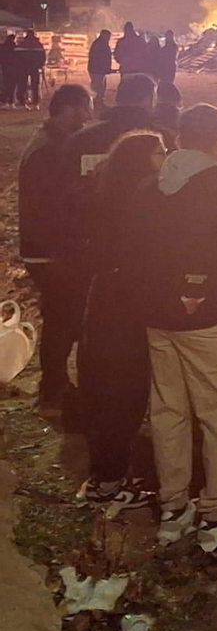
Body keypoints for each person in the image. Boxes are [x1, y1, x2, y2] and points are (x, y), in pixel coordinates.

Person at [133, 103, 217, 551]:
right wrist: (200, 289)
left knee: (168, 411)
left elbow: (130, 247)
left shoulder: (150, 187)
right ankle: (216, 515)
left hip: (156, 315)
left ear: (178, 138)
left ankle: (174, 509)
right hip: (207, 317)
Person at [77, 130, 164, 511]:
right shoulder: (142, 201)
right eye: (160, 151)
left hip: (102, 303)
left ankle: (106, 475)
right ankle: (108, 482)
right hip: (125, 309)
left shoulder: (104, 192)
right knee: (123, 395)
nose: (167, 156)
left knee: (104, 391)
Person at [17, 83, 94, 410]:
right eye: (85, 108)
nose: (88, 116)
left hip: (46, 249)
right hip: (48, 251)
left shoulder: (50, 142)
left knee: (61, 316)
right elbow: (46, 208)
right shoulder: (49, 150)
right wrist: (58, 253)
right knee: (61, 318)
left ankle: (56, 382)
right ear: (69, 108)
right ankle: (54, 387)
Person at [16, 29, 45, 108]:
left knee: (22, 84)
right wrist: (41, 65)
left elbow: (16, 57)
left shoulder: (22, 44)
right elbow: (43, 56)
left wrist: (18, 65)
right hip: (34, 67)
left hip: (23, 67)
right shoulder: (38, 44)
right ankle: (35, 101)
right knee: (35, 85)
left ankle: (22, 100)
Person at [88, 30, 113, 110]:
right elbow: (101, 58)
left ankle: (99, 103)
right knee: (98, 88)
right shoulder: (100, 45)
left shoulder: (101, 44)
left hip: (100, 70)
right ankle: (96, 104)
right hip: (97, 70)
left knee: (101, 87)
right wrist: (105, 68)